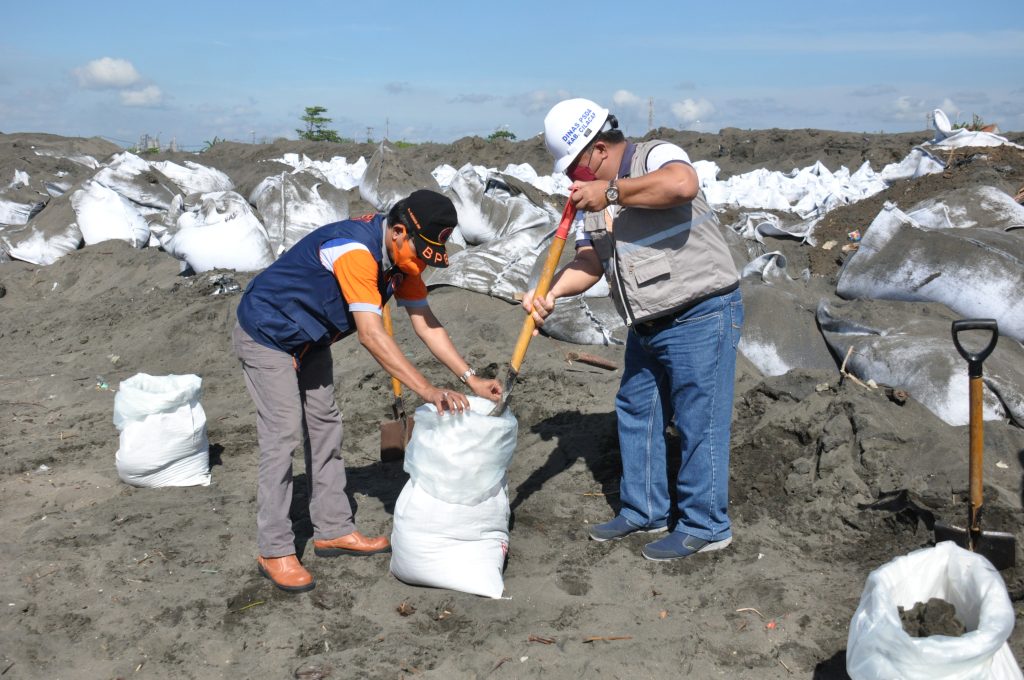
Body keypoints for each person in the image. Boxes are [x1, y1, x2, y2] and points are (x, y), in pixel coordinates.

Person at [232, 189, 502, 592]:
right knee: (284, 432)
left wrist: (470, 377)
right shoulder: (355, 252)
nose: (421, 265)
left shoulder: (402, 258)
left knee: (326, 424)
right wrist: (427, 390)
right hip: (267, 332)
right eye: (420, 253)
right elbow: (372, 336)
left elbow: (424, 320)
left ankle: (333, 529)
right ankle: (274, 550)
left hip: (310, 337)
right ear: (397, 232)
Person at [524, 98, 744, 561]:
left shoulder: (655, 156)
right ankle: (645, 511)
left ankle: (706, 525)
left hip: (701, 312)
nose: (573, 180)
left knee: (697, 418)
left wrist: (610, 192)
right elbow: (590, 262)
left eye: (575, 168)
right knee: (636, 407)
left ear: (599, 148)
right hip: (647, 321)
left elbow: (683, 184)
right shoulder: (592, 196)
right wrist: (551, 293)